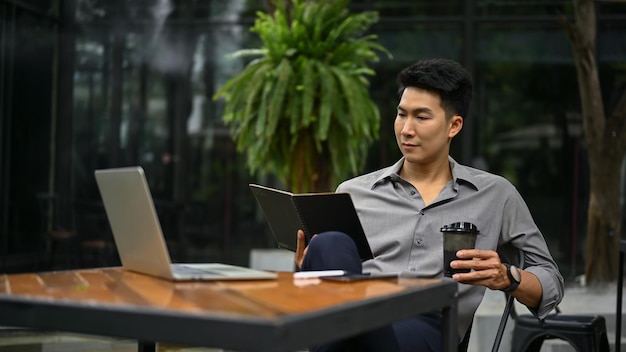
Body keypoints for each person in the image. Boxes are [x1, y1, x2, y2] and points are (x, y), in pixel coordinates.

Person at [294, 58, 564, 352]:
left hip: (427, 327)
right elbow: (322, 291)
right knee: (328, 245)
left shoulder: (495, 195)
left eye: (421, 117)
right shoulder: (353, 192)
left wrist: (507, 276)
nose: (406, 129)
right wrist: (309, 267)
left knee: (345, 333)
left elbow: (550, 281)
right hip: (356, 310)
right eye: (401, 115)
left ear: (454, 125)